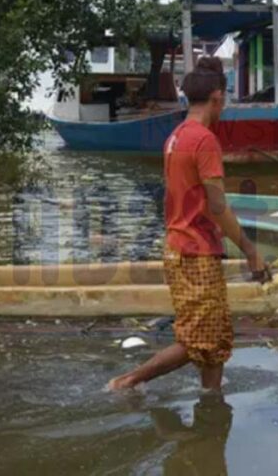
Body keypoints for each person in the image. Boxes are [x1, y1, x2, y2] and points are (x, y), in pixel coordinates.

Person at [108, 57, 266, 391]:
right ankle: (128, 382)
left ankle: (212, 403)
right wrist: (251, 251)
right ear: (217, 98)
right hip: (195, 253)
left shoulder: (176, 136)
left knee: (217, 340)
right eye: (224, 101)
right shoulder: (204, 140)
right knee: (199, 342)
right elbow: (218, 206)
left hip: (181, 247)